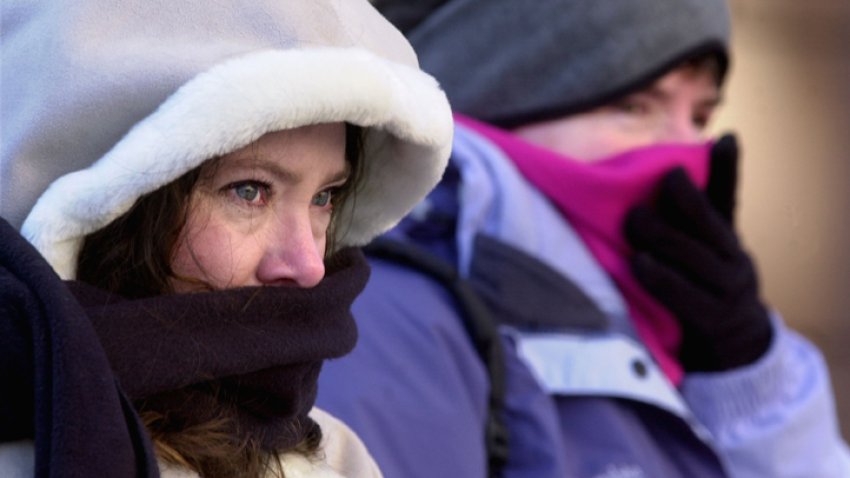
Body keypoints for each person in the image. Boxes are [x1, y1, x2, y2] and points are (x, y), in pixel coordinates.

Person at [316, 0, 850, 477]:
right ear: (500, 100)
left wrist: (747, 386)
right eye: (635, 107)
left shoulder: (659, 324)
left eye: (702, 115)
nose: (685, 149)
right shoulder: (384, 321)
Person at [0, 0, 452, 477]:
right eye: (250, 191)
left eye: (324, 196)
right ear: (114, 209)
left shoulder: (333, 455)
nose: (309, 264)